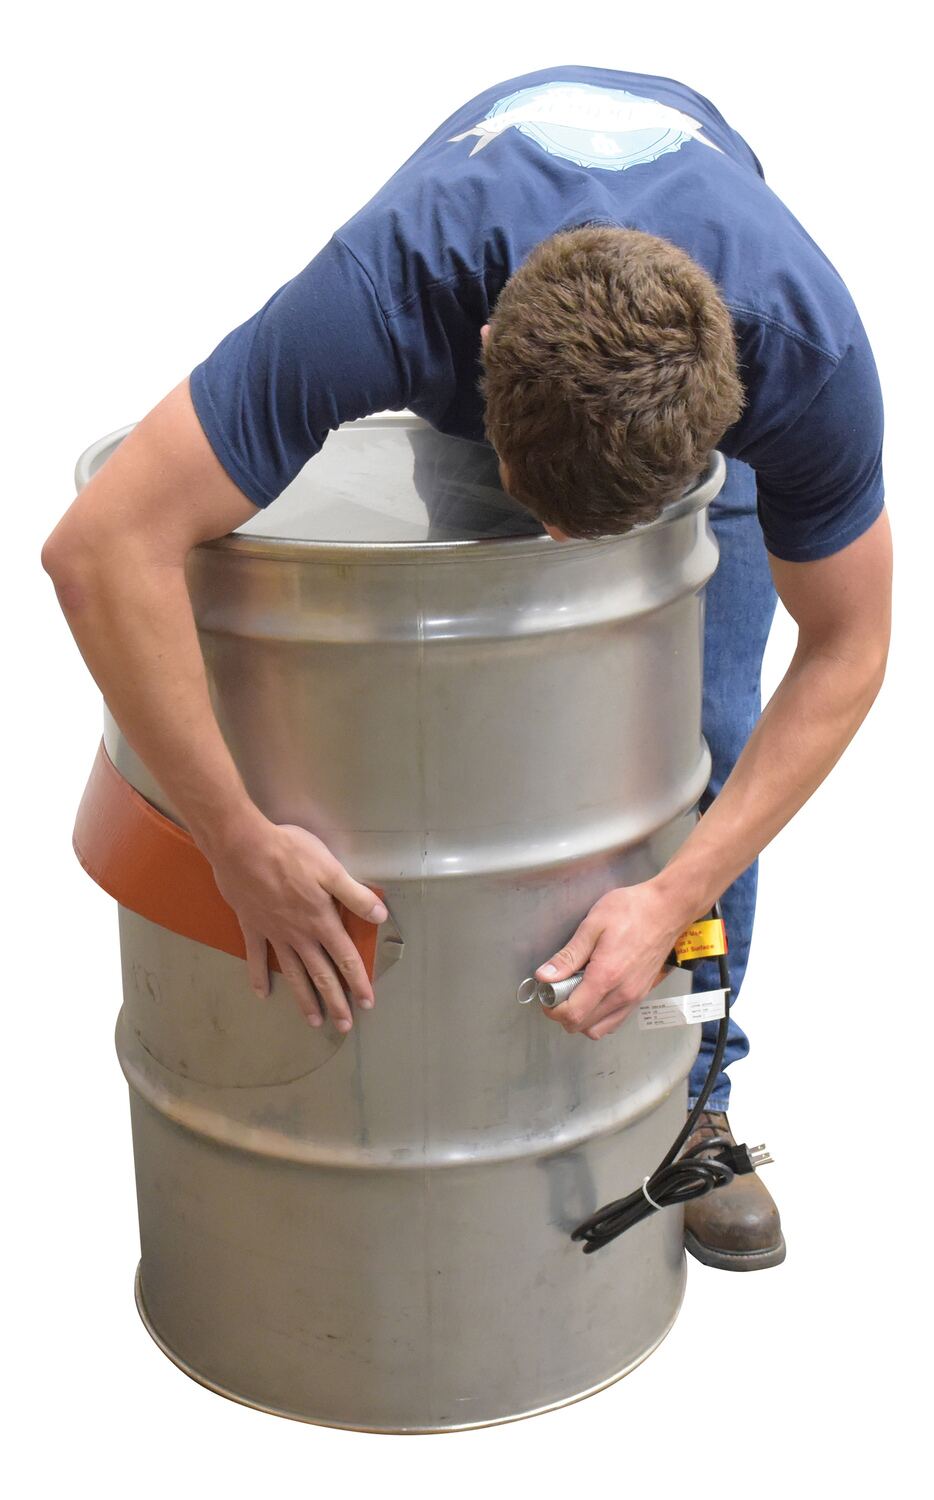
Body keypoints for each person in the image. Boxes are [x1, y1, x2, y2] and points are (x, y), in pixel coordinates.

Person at [42, 66, 891, 1271]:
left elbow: (850, 646)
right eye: (545, 512)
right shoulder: (389, 293)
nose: (555, 547)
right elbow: (98, 549)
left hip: (695, 337)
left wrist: (670, 893)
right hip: (486, 297)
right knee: (471, 719)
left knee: (702, 736)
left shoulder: (802, 356)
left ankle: (699, 1095)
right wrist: (231, 836)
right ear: (481, 354)